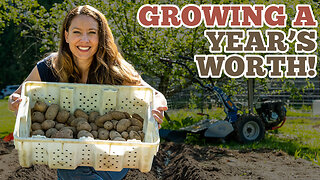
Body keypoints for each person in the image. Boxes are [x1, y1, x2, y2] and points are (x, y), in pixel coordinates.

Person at [8, 5, 167, 180]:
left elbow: (155, 95)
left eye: (92, 32)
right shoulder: (49, 67)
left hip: (111, 154)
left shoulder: (115, 69)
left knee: (72, 172)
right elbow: (17, 96)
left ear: (100, 37)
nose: (84, 39)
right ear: (66, 36)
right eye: (77, 32)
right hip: (68, 152)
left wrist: (158, 107)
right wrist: (15, 101)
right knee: (72, 169)